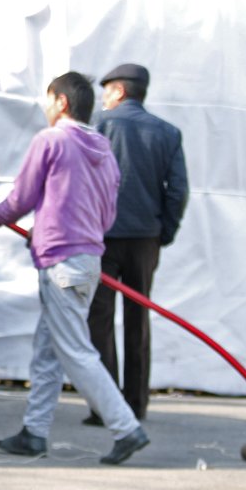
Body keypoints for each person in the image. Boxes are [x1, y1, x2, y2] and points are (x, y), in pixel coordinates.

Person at [0, 71, 149, 465]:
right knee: (48, 351)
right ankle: (34, 433)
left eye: (49, 99)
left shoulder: (50, 140)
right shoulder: (102, 148)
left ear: (62, 102)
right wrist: (46, 229)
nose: (46, 106)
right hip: (85, 259)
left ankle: (125, 427)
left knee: (74, 351)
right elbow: (103, 213)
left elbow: (22, 196)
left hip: (61, 264)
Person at [83, 64, 189, 426]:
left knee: (99, 319)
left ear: (119, 91)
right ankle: (137, 404)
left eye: (106, 89)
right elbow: (177, 191)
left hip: (102, 238)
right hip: (145, 238)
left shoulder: (98, 126)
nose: (103, 97)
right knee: (137, 320)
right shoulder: (167, 133)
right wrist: (164, 233)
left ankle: (105, 405)